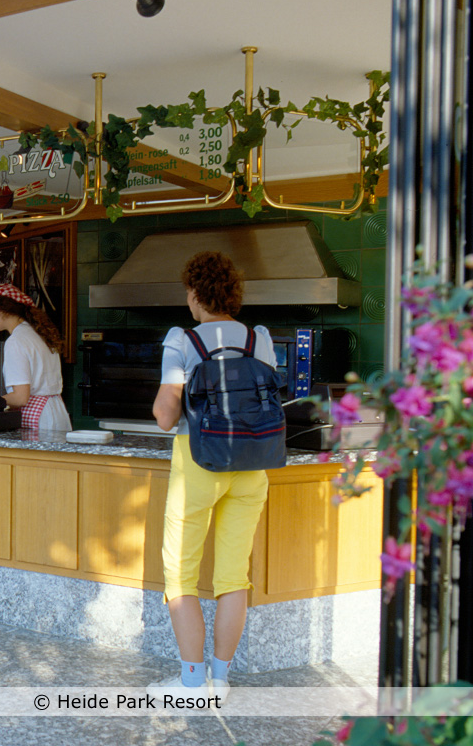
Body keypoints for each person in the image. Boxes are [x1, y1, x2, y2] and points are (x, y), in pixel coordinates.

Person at [149, 251, 277, 698]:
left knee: (181, 576)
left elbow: (165, 416)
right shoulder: (259, 339)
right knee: (233, 577)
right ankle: (220, 679)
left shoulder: (182, 340)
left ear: (194, 293)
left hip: (198, 466)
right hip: (252, 466)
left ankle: (191, 681)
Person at [0, 283, 72, 432]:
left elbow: (20, 398)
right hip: (56, 411)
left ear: (5, 310)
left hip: (39, 419)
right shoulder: (38, 333)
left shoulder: (16, 341)